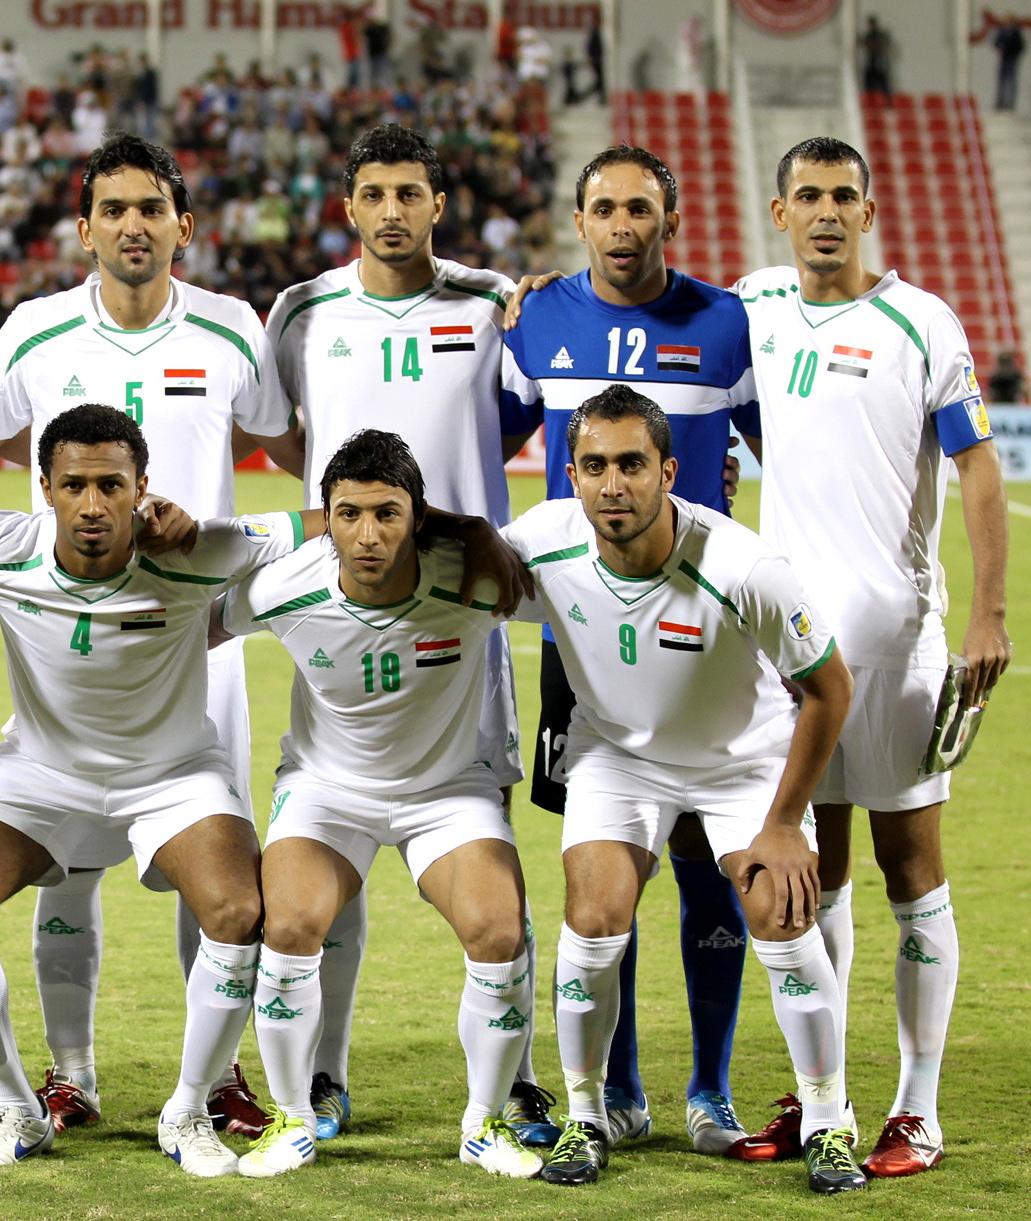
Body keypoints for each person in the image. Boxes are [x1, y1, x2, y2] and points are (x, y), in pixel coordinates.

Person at [0, 132, 293, 1138]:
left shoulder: (233, 330)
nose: (132, 226)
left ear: (182, 227)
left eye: (150, 209)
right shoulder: (32, 334)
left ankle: (224, 1073)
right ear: (84, 228)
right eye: (113, 209)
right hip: (68, 642)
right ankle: (70, 1076)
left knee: (213, 882)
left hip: (200, 647)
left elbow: (293, 452)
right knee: (65, 866)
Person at [0, 405, 309, 1172]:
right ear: (44, 488)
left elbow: (332, 516)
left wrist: (462, 531)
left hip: (171, 774)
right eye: (74, 485)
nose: (94, 504)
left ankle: (187, 1106)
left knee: (238, 911)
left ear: (143, 487)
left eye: (113, 484)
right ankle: (16, 1106)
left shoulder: (197, 549)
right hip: (40, 771)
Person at [502, 387, 862, 1194]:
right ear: (570, 474)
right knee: (593, 918)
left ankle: (829, 1118)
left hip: (741, 759)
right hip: (618, 759)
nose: (613, 484)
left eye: (632, 464)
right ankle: (589, 1116)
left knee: (779, 914)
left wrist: (784, 822)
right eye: (594, 466)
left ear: (669, 471)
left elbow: (831, 688)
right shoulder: (541, 542)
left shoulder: (745, 565)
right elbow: (446, 569)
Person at [733, 137, 1011, 1178]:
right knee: (816, 869)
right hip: (791, 646)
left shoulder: (920, 320)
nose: (826, 213)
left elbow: (980, 472)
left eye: (844, 195)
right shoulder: (755, 303)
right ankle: (826, 1100)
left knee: (909, 865)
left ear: (871, 207)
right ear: (778, 210)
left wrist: (987, 614)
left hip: (895, 643)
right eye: (807, 196)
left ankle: (918, 1109)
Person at [264, 122, 535, 1145]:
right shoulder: (302, 314)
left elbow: (512, 420)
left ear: (437, 205)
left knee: (492, 855)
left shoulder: (486, 306)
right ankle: (323, 1075)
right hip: (343, 611)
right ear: (348, 207)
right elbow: (290, 442)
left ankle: (512, 1086)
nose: (391, 210)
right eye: (372, 193)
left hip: (461, 620)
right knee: (336, 847)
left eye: (409, 193)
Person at [500, 144, 765, 1155]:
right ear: (580, 221)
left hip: (705, 632)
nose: (622, 225)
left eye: (639, 209)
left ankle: (711, 1087)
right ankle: (616, 1087)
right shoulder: (542, 318)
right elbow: (485, 437)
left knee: (704, 857)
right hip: (586, 638)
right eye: (604, 208)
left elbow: (786, 441)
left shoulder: (729, 323)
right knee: (606, 863)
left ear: (673, 218)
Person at [218, 430, 542, 1180]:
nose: (367, 535)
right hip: (328, 792)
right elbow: (182, 627)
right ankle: (293, 1120)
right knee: (291, 925)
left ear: (419, 516)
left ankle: (482, 1123)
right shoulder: (283, 587)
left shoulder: (476, 578)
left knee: (500, 930)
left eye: (388, 514)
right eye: (349, 513)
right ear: (324, 517)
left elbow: (590, 595)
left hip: (447, 792)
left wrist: (480, 529)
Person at [996, 18, 1025, 112]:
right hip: (1004, 59)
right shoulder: (1003, 33)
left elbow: (1020, 47)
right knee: (1002, 82)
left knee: (1011, 82)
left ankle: (1010, 103)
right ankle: (1001, 102)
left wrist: (1012, 52)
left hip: (1011, 60)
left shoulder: (1016, 34)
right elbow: (996, 43)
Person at [861, 16, 894, 98]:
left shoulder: (880, 35)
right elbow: (866, 45)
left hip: (880, 64)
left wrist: (874, 46)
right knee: (868, 88)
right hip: (870, 64)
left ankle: (887, 104)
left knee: (884, 87)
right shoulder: (868, 36)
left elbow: (883, 47)